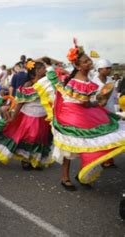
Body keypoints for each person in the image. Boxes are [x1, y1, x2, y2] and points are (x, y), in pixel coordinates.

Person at [34, 39, 125, 191]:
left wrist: (100, 101)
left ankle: (83, 173)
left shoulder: (86, 80)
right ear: (77, 66)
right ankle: (65, 178)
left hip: (81, 113)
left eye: (89, 60)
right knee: (71, 148)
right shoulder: (78, 82)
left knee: (89, 144)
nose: (89, 63)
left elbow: (89, 103)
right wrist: (99, 102)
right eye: (85, 62)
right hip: (72, 116)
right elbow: (86, 103)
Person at [0, 60, 53, 170]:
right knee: (30, 137)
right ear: (37, 71)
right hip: (29, 115)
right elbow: (20, 102)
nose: (46, 70)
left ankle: (35, 160)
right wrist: (14, 116)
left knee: (40, 138)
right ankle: (25, 160)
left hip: (42, 116)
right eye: (43, 68)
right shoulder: (28, 85)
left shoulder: (46, 83)